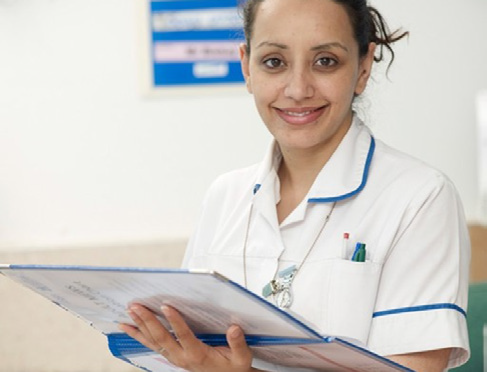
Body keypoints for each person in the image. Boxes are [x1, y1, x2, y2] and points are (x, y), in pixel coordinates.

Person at [119, 0, 471, 371]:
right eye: (274, 62)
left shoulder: (420, 197)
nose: (298, 89)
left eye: (325, 61)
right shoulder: (225, 196)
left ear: (364, 66)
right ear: (246, 66)